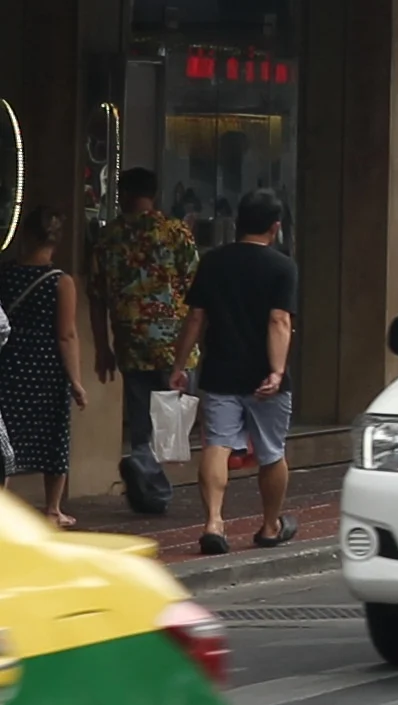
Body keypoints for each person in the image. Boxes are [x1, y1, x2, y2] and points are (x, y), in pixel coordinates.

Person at [176, 193, 300, 556]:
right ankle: (270, 525)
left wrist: (179, 365)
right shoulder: (282, 266)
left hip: (220, 369)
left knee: (217, 444)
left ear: (238, 223)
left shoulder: (212, 262)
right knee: (272, 451)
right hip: (263, 375)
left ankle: (214, 522)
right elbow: (279, 320)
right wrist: (276, 371)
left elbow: (196, 318)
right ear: (275, 228)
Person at [96, 168, 195, 515]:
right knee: (170, 423)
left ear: (121, 193)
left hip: (129, 339)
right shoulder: (175, 232)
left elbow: (97, 296)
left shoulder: (109, 237)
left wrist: (101, 346)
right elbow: (195, 287)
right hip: (174, 342)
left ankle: (151, 493)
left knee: (142, 419)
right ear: (154, 193)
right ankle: (143, 464)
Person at [0, 227, 88, 523]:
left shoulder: (4, 274)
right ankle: (52, 509)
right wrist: (76, 380)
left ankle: (4, 505)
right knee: (53, 437)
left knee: (7, 436)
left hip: (8, 363)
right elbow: (66, 334)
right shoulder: (61, 281)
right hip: (45, 368)